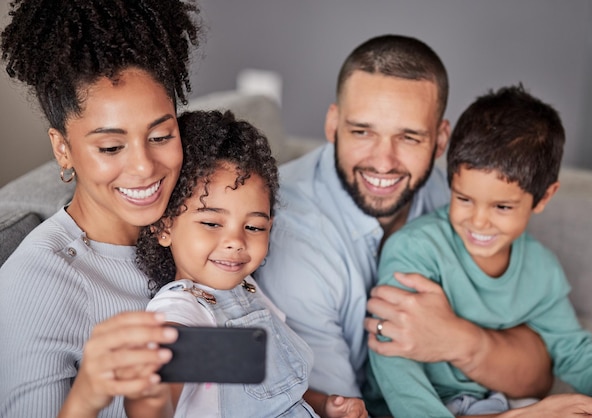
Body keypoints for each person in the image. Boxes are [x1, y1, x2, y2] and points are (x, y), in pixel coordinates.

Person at [254, 34, 592, 418]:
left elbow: (543, 365)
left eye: (409, 137)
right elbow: (349, 410)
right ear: (333, 124)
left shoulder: (456, 193)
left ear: (440, 141)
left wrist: (460, 340)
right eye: (362, 131)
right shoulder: (290, 241)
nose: (384, 162)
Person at [368, 84, 592, 417]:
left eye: (501, 207)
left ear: (544, 197)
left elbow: (575, 352)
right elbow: (393, 357)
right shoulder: (415, 249)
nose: (478, 222)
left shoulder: (542, 270)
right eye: (463, 199)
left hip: (498, 406)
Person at [0, 1, 200, 417]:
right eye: (111, 147)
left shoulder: (195, 224)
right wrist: (86, 398)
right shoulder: (37, 283)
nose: (145, 167)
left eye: (161, 135)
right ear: (63, 149)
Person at [125, 109, 366, 417]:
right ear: (164, 227)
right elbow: (157, 387)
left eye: (254, 227)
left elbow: (281, 384)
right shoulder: (184, 309)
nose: (236, 241)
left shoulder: (249, 290)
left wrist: (324, 405)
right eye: (212, 223)